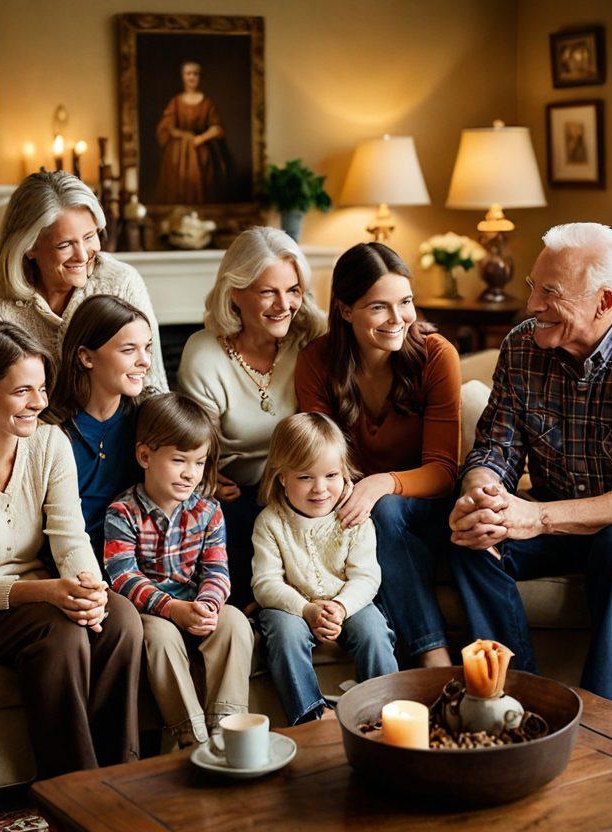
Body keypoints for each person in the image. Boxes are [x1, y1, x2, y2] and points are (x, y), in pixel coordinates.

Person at [448, 222, 612, 704]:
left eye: (550, 293)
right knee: (471, 537)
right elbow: (495, 451)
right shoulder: (522, 347)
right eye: (533, 286)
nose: (532, 305)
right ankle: (520, 701)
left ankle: (602, 711)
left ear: (605, 301)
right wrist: (483, 495)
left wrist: (537, 516)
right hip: (561, 517)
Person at [0, 319, 143, 779]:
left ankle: (121, 780)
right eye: (22, 391)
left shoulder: (50, 443)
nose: (40, 402)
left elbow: (70, 536)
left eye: (42, 388)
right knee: (61, 634)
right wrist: (51, 592)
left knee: (121, 620)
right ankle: (73, 791)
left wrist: (89, 589)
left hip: (40, 590)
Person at [295, 242, 461, 669]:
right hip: (349, 507)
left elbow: (444, 471)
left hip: (425, 509)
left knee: (385, 510)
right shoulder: (316, 361)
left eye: (405, 302)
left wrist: (382, 484)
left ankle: (434, 658)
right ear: (345, 310)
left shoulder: (436, 356)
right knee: (371, 518)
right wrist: (360, 492)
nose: (398, 318)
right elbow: (319, 457)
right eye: (378, 307)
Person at [177, 227, 326, 608]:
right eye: (268, 292)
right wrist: (207, 478)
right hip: (235, 495)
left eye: (293, 290)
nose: (284, 305)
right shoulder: (204, 354)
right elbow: (197, 448)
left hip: (300, 489)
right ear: (234, 293)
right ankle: (247, 615)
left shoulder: (311, 338)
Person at [104, 393, 254, 747]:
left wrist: (207, 605)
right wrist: (172, 609)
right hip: (152, 613)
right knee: (161, 636)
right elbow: (123, 577)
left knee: (235, 621)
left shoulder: (208, 511)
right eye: (178, 460)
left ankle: (228, 729)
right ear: (145, 456)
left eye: (199, 463)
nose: (190, 473)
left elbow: (217, 571)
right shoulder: (122, 513)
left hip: (195, 606)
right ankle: (191, 737)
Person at [251, 412, 398, 726]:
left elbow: (366, 576)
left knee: (374, 629)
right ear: (282, 477)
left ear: (344, 472)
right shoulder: (271, 522)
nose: (320, 488)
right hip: (293, 608)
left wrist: (341, 607)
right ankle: (311, 716)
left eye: (331, 475)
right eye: (305, 477)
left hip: (347, 602)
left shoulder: (354, 517)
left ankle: (385, 712)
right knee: (284, 632)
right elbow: (265, 583)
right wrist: (306, 609)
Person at [0, 170, 167, 390]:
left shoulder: (122, 283)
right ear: (29, 247)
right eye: (65, 245)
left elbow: (153, 386)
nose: (82, 255)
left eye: (89, 237)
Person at [44, 294, 154, 557]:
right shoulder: (49, 430)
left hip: (136, 563)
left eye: (147, 348)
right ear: (86, 357)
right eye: (128, 350)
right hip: (68, 563)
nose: (145, 361)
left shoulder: (148, 421)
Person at [155, 60, 228, 204]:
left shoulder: (207, 103)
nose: (192, 77)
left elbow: (217, 128)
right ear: (183, 76)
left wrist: (201, 138)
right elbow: (166, 127)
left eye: (195, 74)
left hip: (201, 153)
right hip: (177, 155)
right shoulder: (176, 102)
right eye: (188, 73)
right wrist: (184, 136)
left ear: (200, 77)